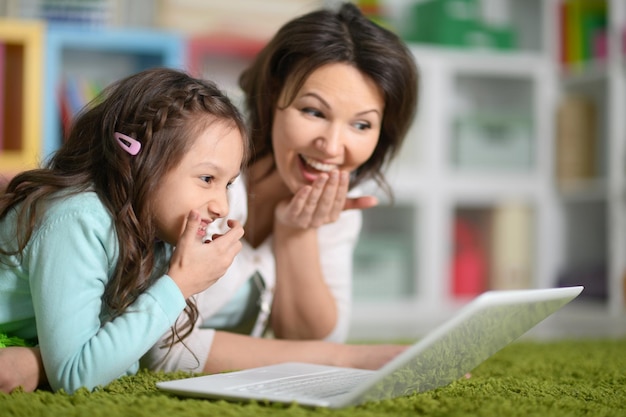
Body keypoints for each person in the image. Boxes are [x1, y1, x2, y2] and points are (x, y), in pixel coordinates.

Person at [142, 2, 419, 375]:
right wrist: (348, 360)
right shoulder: (201, 175)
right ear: (273, 96)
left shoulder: (337, 207)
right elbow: (159, 344)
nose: (334, 147)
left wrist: (295, 234)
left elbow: (314, 339)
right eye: (314, 112)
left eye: (362, 125)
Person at [0, 67, 248, 393]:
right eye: (206, 179)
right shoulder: (77, 219)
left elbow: (124, 358)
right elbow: (78, 377)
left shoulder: (152, 230)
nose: (222, 207)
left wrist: (38, 363)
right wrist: (180, 283)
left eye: (228, 184)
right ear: (137, 160)